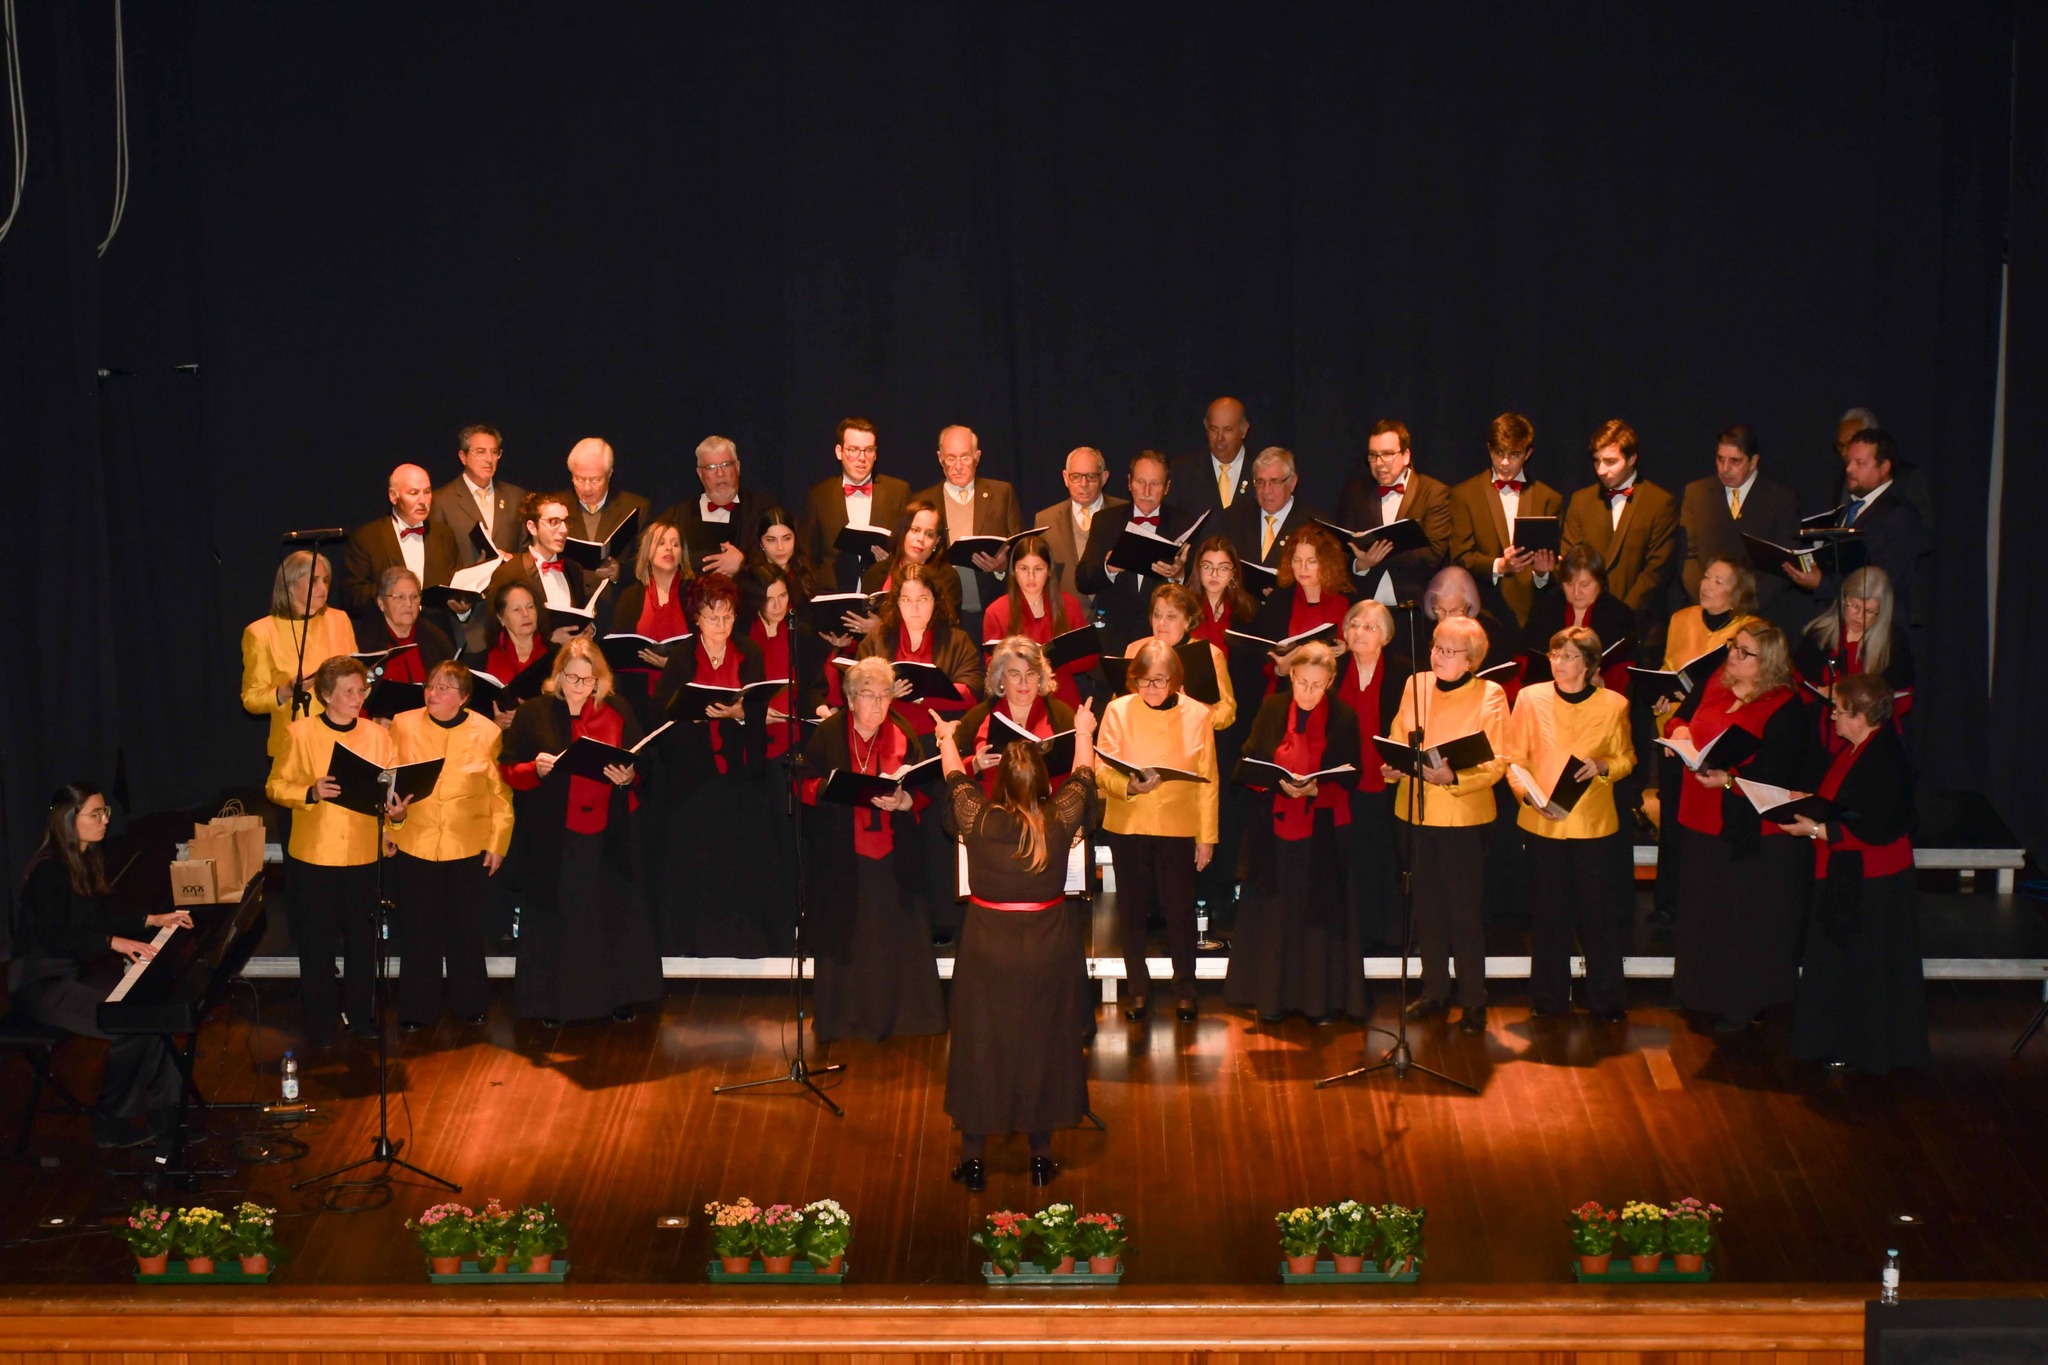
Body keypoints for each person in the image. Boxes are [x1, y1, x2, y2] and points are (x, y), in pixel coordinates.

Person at [934, 698, 1098, 1192]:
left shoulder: (980, 821)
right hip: (1048, 949)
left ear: (1001, 784)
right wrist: (1084, 729)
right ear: (1044, 784)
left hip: (987, 950)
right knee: (1044, 1043)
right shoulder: (1058, 821)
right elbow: (1084, 780)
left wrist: (947, 738)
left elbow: (954, 779)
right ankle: (1041, 1158)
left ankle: (974, 1160)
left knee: (980, 1045)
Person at [9, 783, 186, 1148]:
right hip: (42, 983)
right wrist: (113, 942)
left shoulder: (85, 857)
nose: (106, 820)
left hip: (70, 972)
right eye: (96, 814)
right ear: (68, 819)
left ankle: (169, 1116)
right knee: (128, 1024)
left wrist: (151, 919)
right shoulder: (50, 872)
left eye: (106, 812)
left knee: (148, 1015)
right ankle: (111, 1121)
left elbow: (100, 914)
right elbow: (57, 936)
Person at [498, 639, 660, 1026]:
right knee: (559, 917)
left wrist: (629, 775)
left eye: (587, 680)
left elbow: (643, 763)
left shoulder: (617, 710)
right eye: (571, 677)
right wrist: (533, 770)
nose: (578, 686)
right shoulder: (534, 713)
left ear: (600, 681)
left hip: (610, 832)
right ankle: (552, 1004)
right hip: (554, 833)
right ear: (558, 675)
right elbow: (507, 767)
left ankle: (618, 998)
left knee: (611, 914)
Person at [1666, 618, 1815, 1033]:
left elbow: (1778, 774)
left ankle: (1741, 1004)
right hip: (1698, 815)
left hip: (1746, 827)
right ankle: (1699, 996)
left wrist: (1728, 780)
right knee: (1702, 912)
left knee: (1741, 918)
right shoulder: (1716, 680)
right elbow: (1678, 718)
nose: (1733, 655)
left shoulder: (1785, 705)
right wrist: (1678, 733)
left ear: (1765, 662)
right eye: (1734, 646)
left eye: (1743, 651)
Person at [1784, 674, 1929, 1074]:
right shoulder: (1859, 748)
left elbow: (1877, 823)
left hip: (1872, 881)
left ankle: (1857, 1046)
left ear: (1861, 716)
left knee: (1860, 967)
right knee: (1841, 963)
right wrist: (1809, 801)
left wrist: (1813, 827)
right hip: (1851, 874)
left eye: (1839, 711)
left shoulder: (1884, 757)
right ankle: (1839, 1041)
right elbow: (1846, 803)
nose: (1832, 717)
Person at [799, 656, 947, 1044]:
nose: (879, 705)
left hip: (894, 858)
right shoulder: (828, 734)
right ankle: (844, 1021)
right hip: (843, 857)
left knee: (896, 936)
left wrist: (905, 803)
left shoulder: (900, 733)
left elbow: (925, 790)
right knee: (848, 934)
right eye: (869, 695)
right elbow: (801, 783)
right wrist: (833, 790)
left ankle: (904, 1018)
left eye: (885, 696)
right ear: (850, 699)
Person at [264, 656, 405, 1047]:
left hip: (363, 855)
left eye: (361, 690)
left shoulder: (377, 737)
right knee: (317, 946)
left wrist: (396, 815)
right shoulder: (299, 733)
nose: (356, 698)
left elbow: (390, 789)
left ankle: (360, 1016)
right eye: (347, 691)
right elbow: (275, 786)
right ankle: (321, 1024)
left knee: (364, 944)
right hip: (314, 858)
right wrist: (310, 791)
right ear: (325, 695)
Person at [1226, 641, 1366, 1023]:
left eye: (1316, 685)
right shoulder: (1273, 708)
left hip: (1321, 834)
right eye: (1301, 682)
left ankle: (1318, 1002)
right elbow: (1250, 757)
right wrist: (1276, 782)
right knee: (1274, 915)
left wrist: (1317, 788)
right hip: (1273, 828)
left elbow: (1353, 775)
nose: (1307, 692)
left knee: (1316, 917)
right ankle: (1270, 999)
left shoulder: (1344, 717)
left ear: (1331, 682)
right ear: (1290, 676)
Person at [1382, 614, 1510, 1034]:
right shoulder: (1415, 684)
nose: (1437, 656)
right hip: (1414, 811)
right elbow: (1399, 733)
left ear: (1471, 659)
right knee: (1426, 908)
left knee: (1463, 912)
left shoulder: (1490, 694)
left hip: (1462, 817)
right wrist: (1395, 765)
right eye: (1436, 647)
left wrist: (1454, 777)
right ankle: (1434, 989)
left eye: (1449, 651)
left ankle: (1473, 997)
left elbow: (1496, 762)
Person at [1504, 626, 1636, 1023]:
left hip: (1593, 825)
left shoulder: (1614, 705)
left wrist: (1603, 766)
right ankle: (1548, 998)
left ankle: (1606, 999)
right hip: (1543, 820)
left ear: (1590, 664)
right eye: (1555, 654)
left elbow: (1627, 758)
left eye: (1569, 656)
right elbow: (1514, 758)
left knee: (1599, 916)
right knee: (1548, 914)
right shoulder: (1530, 698)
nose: (1558, 663)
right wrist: (1526, 795)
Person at [647, 574, 782, 956]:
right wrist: (690, 715)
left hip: (740, 774)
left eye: (727, 617)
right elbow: (659, 714)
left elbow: (758, 707)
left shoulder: (749, 652)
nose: (721, 626)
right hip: (693, 777)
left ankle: (743, 943)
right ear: (696, 619)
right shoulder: (682, 656)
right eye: (713, 617)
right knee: (696, 862)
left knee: (739, 862)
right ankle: (693, 945)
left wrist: (741, 713)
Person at [854, 562, 986, 942]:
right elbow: (857, 680)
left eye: (923, 600)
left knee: (936, 835)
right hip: (888, 744)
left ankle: (942, 922)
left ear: (935, 601)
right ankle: (895, 918)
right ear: (897, 602)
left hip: (939, 746)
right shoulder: (880, 638)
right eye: (907, 600)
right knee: (895, 833)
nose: (914, 608)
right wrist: (883, 690)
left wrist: (936, 691)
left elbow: (975, 685)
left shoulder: (954, 638)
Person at [1095, 639, 1219, 1024]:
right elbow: (1100, 770)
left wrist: (1206, 838)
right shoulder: (1117, 710)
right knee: (1132, 912)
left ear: (1177, 681)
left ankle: (1185, 990)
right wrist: (1129, 786)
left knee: (1179, 912)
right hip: (1129, 824)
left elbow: (1208, 781)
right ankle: (1137, 990)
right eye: (1144, 681)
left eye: (1160, 681)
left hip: (1178, 826)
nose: (1151, 689)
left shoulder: (1198, 715)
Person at [387, 661, 513, 1030]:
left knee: (466, 931)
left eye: (444, 688)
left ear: (464, 697)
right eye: (430, 686)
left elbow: (501, 796)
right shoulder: (403, 724)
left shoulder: (487, 732)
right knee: (417, 931)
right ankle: (415, 1010)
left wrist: (498, 842)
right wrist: (389, 827)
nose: (433, 693)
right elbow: (388, 780)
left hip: (467, 846)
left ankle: (470, 1003)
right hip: (415, 841)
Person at [1646, 557, 1757, 923]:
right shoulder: (1681, 619)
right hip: (1677, 734)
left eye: (1719, 581)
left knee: (1707, 825)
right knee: (1672, 820)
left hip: (1718, 738)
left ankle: (1703, 902)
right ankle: (1667, 903)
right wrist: (1663, 693)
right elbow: (1668, 667)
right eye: (1707, 577)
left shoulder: (1752, 630)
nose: (1707, 585)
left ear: (1737, 592)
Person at [1788, 428, 1931, 648]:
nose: (1849, 469)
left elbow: (1882, 582)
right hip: (1845, 626)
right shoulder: (1854, 507)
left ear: (1884, 467)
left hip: (1875, 634)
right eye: (1849, 461)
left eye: (1860, 463)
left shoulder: (1898, 514)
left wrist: (1821, 583)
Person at [1559, 419, 1680, 660]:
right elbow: (1571, 561)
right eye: (1597, 461)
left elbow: (1656, 572)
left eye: (1611, 461)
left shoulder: (1660, 502)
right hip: (1585, 631)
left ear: (1632, 458)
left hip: (1640, 632)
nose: (1602, 469)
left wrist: (1616, 617)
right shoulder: (1581, 501)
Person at [1333, 600, 1408, 949]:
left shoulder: (1403, 673)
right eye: (1355, 625)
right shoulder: (1332, 668)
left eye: (1370, 627)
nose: (1360, 632)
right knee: (1347, 860)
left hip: (1388, 781)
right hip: (1342, 783)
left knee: (1385, 858)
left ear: (1386, 636)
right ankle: (1351, 934)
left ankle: (1387, 933)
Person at [1076, 450, 1199, 658]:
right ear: (1129, 483)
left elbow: (1196, 594)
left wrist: (1178, 576)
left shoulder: (1184, 525)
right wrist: (1108, 568)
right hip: (1114, 643)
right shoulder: (1106, 521)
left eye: (1155, 483)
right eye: (1141, 482)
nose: (1146, 490)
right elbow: (1083, 579)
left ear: (1167, 487)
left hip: (1165, 647)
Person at [1677, 425, 1800, 628]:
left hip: (1759, 618)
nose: (1724, 469)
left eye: (1735, 461)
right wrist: (1707, 599)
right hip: (1706, 616)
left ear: (1753, 461)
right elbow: (1688, 557)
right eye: (1720, 459)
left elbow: (1783, 564)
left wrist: (1744, 607)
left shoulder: (1780, 499)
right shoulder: (1696, 493)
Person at [241, 550, 359, 758]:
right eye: (313, 581)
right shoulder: (260, 632)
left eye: (326, 580)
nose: (323, 588)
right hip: (295, 749)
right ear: (290, 585)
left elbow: (359, 677)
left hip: (345, 741)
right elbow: (252, 699)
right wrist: (285, 691)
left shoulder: (339, 620)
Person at [914, 424, 1021, 642]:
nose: (958, 466)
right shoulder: (922, 501)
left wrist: (1002, 566)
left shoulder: (1002, 493)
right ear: (940, 458)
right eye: (951, 458)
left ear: (977, 457)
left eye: (964, 457)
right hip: (939, 612)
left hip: (991, 608)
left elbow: (1020, 550)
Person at [1795, 564, 1915, 751]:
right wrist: (1821, 691)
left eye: (1869, 611)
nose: (1859, 616)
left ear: (1882, 612)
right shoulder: (1818, 634)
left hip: (1869, 737)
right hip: (1819, 732)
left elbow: (1903, 698)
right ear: (1843, 601)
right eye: (1854, 606)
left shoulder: (1893, 643)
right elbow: (1796, 682)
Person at [1338, 420, 1454, 608]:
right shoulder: (1354, 492)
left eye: (1387, 455)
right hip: (1363, 606)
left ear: (1406, 455)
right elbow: (1342, 551)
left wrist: (1379, 553)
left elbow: (1434, 554)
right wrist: (1360, 565)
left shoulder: (1434, 492)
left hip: (1411, 608)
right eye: (1373, 455)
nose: (1379, 463)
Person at [338, 464, 462, 630]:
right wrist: (391, 595)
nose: (423, 501)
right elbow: (351, 596)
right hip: (385, 639)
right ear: (393, 496)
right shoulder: (367, 537)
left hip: (435, 639)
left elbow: (456, 584)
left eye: (427, 492)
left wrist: (463, 605)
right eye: (413, 493)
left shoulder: (444, 534)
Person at [980, 534, 1096, 707]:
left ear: (1049, 570)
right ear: (1014, 571)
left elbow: (1090, 658)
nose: (1031, 577)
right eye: (1024, 569)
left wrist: (1053, 661)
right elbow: (992, 666)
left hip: (1062, 698)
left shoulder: (1069, 604)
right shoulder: (996, 611)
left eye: (1038, 569)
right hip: (1016, 700)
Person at [954, 638, 1080, 796]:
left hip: (1048, 808)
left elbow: (1078, 772)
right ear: (1001, 678)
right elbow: (953, 772)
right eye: (1015, 675)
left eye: (1031, 674)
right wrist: (975, 764)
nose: (1024, 683)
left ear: (1040, 677)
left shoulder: (1063, 715)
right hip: (992, 811)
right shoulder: (977, 717)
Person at [798, 418, 911, 593]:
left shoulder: (899, 492)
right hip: (833, 598)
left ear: (876, 454)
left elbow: (910, 550)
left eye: (868, 450)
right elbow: (807, 555)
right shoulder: (818, 496)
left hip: (884, 597)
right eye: (853, 450)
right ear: (839, 451)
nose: (862, 458)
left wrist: (892, 561)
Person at [1244, 523, 1355, 695]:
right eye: (1297, 560)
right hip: (1285, 694)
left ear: (1327, 564)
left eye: (1311, 562)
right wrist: (1279, 670)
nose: (1302, 568)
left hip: (1331, 695)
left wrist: (1347, 650)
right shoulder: (1278, 600)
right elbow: (1257, 658)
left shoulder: (1345, 601)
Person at [607, 517, 693, 717]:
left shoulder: (695, 594)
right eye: (661, 543)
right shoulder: (629, 597)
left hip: (685, 698)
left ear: (683, 553)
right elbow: (617, 653)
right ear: (647, 551)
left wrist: (673, 666)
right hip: (638, 701)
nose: (669, 549)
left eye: (675, 544)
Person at [660, 434, 777, 579]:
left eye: (726, 465)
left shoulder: (763, 509)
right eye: (711, 467)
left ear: (738, 467)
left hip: (747, 599)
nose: (720, 473)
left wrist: (744, 562)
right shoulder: (679, 515)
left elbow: (782, 558)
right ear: (700, 474)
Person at [485, 491, 596, 643]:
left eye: (566, 521)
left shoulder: (574, 569)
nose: (564, 530)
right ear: (532, 527)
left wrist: (587, 629)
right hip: (529, 664)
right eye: (554, 522)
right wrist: (548, 640)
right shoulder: (509, 572)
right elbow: (496, 632)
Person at [1122, 584, 1237, 729]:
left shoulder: (1210, 654)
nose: (1161, 623)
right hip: (1142, 733)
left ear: (1187, 621)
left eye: (1171, 616)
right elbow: (1119, 701)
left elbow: (1227, 713)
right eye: (1157, 615)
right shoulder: (1135, 649)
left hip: (1189, 738)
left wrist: (1193, 709)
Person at [1523, 546, 1636, 694]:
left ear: (1600, 583)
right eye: (1569, 584)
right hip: (1549, 694)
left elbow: (1625, 671)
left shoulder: (1618, 614)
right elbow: (1526, 658)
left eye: (1584, 584)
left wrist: (1603, 683)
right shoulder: (1547, 606)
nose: (1576, 592)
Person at [1035, 446, 1126, 612]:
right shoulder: (1045, 520)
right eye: (1076, 477)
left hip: (1117, 619)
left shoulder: (1124, 513)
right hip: (1067, 620)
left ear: (1104, 478)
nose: (1083, 484)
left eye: (1091, 476)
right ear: (1065, 478)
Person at [433, 423, 527, 569]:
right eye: (481, 452)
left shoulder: (516, 497)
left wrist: (513, 559)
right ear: (463, 457)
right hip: (464, 590)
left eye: (494, 452)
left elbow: (528, 552)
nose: (489, 459)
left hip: (508, 587)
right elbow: (437, 561)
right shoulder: (442, 501)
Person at [564, 437, 652, 587]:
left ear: (609, 474)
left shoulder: (635, 508)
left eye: (595, 480)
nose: (586, 488)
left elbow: (647, 562)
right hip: (568, 601)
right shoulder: (556, 506)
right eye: (579, 479)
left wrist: (619, 571)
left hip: (614, 604)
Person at [860, 497, 963, 622]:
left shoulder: (947, 577)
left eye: (929, 534)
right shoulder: (876, 572)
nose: (921, 538)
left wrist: (880, 629)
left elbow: (941, 625)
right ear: (903, 532)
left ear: (937, 541)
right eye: (915, 530)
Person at [1224, 447, 1319, 580]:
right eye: (1260, 482)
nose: (1266, 490)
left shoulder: (1313, 526)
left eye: (1275, 482)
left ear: (1292, 482)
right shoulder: (1233, 518)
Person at [355, 567, 455, 689]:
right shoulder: (366, 643)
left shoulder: (436, 638)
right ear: (381, 603)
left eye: (414, 597)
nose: (408, 604)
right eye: (400, 597)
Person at [1169, 395, 1254, 522]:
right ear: (1205, 426)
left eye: (1228, 430)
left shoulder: (1262, 472)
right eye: (1214, 429)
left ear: (1244, 430)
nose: (1219, 438)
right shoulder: (1181, 472)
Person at [480, 580, 551, 727]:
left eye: (530, 607)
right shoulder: (484, 658)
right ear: (501, 618)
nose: (526, 614)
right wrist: (496, 724)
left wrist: (530, 714)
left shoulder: (555, 654)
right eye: (516, 610)